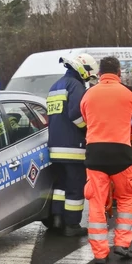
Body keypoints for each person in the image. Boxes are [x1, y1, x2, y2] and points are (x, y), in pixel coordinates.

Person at [80, 56, 132, 264]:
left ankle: (100, 254)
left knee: (96, 202)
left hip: (95, 154)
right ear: (118, 73)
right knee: (126, 198)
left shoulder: (88, 95)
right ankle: (122, 244)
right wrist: (131, 126)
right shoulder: (128, 94)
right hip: (121, 154)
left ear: (99, 73)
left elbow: (84, 119)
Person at [46, 53, 98, 237]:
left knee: (61, 185)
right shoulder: (75, 86)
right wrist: (89, 130)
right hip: (73, 147)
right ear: (82, 68)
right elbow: (77, 115)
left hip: (55, 147)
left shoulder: (55, 86)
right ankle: (72, 225)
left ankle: (58, 219)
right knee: (75, 186)